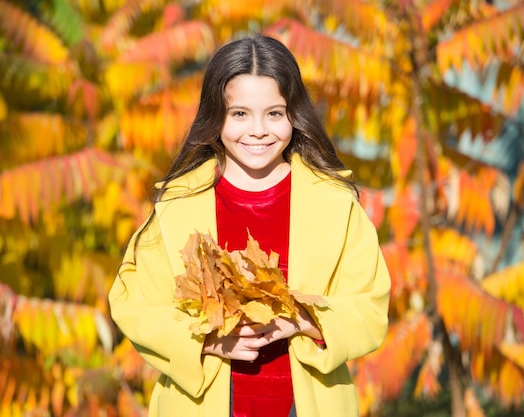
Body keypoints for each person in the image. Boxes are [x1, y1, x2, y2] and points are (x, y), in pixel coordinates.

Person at [108, 34, 391, 417]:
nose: (258, 130)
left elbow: (370, 308)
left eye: (274, 113)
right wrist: (206, 341)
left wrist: (301, 320)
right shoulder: (178, 203)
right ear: (215, 115)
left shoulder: (335, 204)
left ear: (294, 114)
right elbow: (135, 305)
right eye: (239, 113)